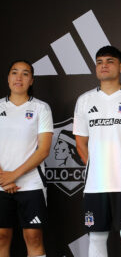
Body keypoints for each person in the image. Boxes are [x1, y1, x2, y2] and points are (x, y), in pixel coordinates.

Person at [73, 46, 121, 257]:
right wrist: (98, 168)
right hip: (95, 183)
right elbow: (80, 143)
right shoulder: (84, 100)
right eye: (99, 62)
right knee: (97, 237)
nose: (104, 66)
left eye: (109, 61)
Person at [0, 60, 53, 257]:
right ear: (8, 78)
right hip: (0, 183)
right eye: (14, 73)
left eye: (24, 74)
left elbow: (44, 149)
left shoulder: (41, 108)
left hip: (31, 184)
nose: (19, 78)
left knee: (33, 237)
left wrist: (13, 175)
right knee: (1, 237)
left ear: (31, 80)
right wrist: (4, 179)